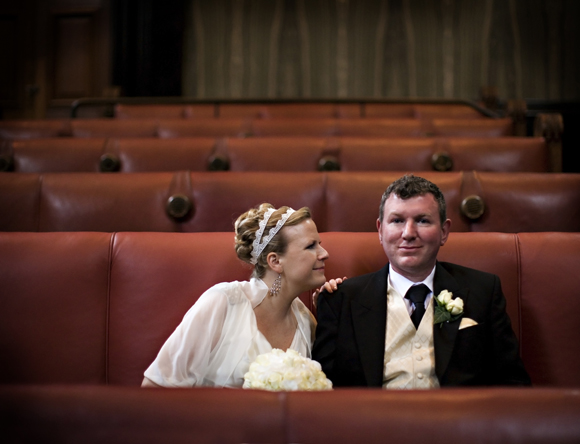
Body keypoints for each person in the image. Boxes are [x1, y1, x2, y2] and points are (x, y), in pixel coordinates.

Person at [312, 175, 531, 388]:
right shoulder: (341, 300)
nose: (408, 233)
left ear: (444, 231)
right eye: (397, 220)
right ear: (380, 230)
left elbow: (513, 384)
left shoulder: (483, 291)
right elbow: (324, 389)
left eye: (422, 220)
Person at [142, 203, 329, 388]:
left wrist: (332, 310)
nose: (324, 254)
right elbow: (154, 388)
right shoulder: (223, 302)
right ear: (275, 261)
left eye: (319, 244)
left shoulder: (306, 320)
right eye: (311, 246)